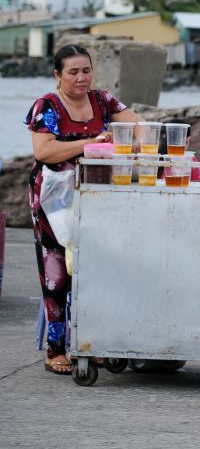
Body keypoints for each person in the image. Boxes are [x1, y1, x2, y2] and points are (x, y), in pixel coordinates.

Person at [25, 44, 143, 375]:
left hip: (96, 195)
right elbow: (44, 151)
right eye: (73, 72)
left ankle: (91, 343)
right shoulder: (46, 105)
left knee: (98, 269)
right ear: (57, 75)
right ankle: (55, 350)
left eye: (86, 70)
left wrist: (136, 143)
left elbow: (139, 126)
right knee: (57, 273)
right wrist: (90, 144)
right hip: (53, 199)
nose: (81, 77)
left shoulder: (103, 100)